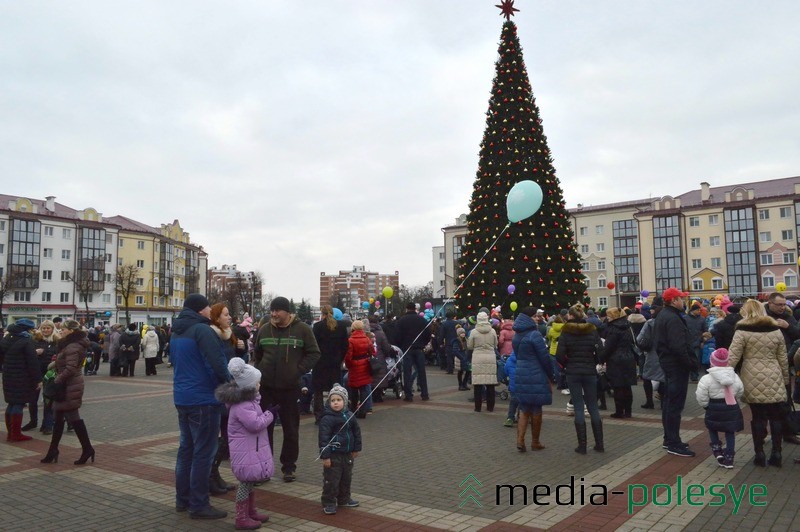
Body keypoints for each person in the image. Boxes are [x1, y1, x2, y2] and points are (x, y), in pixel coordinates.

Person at [171, 293, 232, 520]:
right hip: (203, 399)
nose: (209, 310)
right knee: (203, 453)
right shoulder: (202, 330)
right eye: (207, 307)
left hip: (182, 397)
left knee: (186, 450)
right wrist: (230, 385)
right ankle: (199, 504)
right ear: (200, 310)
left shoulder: (177, 331)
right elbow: (217, 363)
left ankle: (183, 500)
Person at [253, 296, 321, 483]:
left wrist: (298, 371)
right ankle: (265, 467)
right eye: (272, 310)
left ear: (287, 312)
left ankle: (288, 467)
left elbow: (314, 353)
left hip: (290, 389)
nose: (274, 314)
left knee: (291, 429)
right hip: (267, 388)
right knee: (264, 430)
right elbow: (257, 354)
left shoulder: (302, 330)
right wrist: (259, 372)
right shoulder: (265, 329)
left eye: (278, 311)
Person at [727, 299, 790, 467]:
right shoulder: (775, 330)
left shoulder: (742, 331)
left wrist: (724, 375)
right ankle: (777, 452)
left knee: (758, 417)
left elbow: (733, 357)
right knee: (776, 416)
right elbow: (783, 357)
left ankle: (759, 454)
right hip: (774, 375)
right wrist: (785, 380)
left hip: (751, 376)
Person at [215, 358, 275, 530]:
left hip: (249, 449)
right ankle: (242, 517)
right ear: (249, 386)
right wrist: (270, 415)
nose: (259, 385)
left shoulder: (248, 402)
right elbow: (255, 424)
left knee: (249, 482)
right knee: (245, 483)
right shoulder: (242, 405)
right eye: (257, 383)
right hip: (245, 451)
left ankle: (250, 511)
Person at [40, 320, 95, 464]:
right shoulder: (69, 344)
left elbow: (70, 368)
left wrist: (57, 379)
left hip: (69, 385)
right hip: (67, 384)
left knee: (72, 416)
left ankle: (87, 449)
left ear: (71, 331)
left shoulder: (73, 346)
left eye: (63, 329)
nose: (61, 331)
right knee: (58, 416)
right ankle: (53, 450)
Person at [653, 287, 698, 457]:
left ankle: (669, 439)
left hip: (670, 364)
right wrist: (691, 364)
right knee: (674, 405)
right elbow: (678, 346)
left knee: (669, 404)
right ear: (673, 301)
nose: (683, 301)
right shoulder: (672, 318)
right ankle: (673, 442)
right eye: (681, 298)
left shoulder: (665, 315)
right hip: (676, 366)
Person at [557, 304, 605, 454]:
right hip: (589, 370)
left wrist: (566, 364)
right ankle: (599, 444)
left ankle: (582, 445)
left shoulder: (566, 331)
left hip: (573, 372)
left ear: (570, 316)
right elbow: (600, 352)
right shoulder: (592, 330)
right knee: (593, 407)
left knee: (578, 406)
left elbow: (559, 355)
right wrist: (595, 361)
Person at [209, 303, 243, 494]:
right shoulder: (212, 336)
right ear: (216, 317)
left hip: (230, 389)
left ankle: (215, 474)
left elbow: (237, 362)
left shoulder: (230, 335)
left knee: (227, 433)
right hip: (218, 391)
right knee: (216, 435)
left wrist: (240, 349)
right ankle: (211, 476)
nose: (229, 317)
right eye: (225, 314)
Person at [512, 308, 554, 451]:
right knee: (536, 408)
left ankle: (520, 440)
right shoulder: (535, 335)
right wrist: (551, 374)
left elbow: (517, 355)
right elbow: (544, 357)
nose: (538, 318)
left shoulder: (516, 335)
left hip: (521, 372)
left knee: (524, 408)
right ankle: (535, 442)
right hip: (536, 373)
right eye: (535, 316)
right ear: (529, 318)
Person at [695, 348, 744, 469]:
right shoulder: (734, 376)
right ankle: (729, 457)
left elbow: (701, 395)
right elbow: (740, 391)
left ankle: (717, 450)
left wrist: (706, 406)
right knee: (730, 432)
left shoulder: (706, 378)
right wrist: (733, 399)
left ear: (712, 362)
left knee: (713, 428)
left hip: (713, 407)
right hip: (731, 407)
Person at [318, 384, 362, 516]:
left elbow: (356, 432)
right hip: (333, 455)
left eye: (339, 400)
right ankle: (329, 502)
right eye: (333, 400)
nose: (336, 403)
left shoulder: (350, 415)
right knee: (331, 480)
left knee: (346, 478)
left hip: (347, 454)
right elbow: (323, 439)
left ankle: (344, 499)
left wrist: (356, 448)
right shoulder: (327, 418)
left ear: (345, 401)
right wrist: (325, 456)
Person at [763, 292, 800, 446]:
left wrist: (788, 326)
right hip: (765, 366)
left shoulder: (788, 317)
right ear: (770, 303)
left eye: (784, 304)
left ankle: (788, 433)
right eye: (779, 304)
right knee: (764, 402)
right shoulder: (762, 317)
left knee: (785, 400)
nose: (782, 307)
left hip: (785, 365)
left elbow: (798, 336)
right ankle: (762, 433)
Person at [2, 319, 40, 443]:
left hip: (8, 375)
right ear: (26, 329)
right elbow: (32, 362)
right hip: (22, 376)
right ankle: (16, 434)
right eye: (31, 329)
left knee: (11, 403)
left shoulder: (7, 338)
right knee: (18, 403)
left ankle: (10, 433)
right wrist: (37, 379)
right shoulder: (26, 340)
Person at [311, 306, 348, 422]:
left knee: (318, 390)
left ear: (322, 314)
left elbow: (313, 346)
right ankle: (337, 412)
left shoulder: (317, 327)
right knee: (336, 387)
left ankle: (319, 415)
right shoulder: (341, 326)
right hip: (335, 362)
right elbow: (345, 346)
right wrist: (340, 358)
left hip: (320, 362)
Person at [603, 308, 638, 419]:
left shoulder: (613, 328)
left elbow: (609, 347)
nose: (607, 318)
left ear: (613, 316)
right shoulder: (628, 326)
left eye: (608, 316)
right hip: (629, 358)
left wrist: (601, 358)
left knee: (618, 386)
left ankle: (619, 411)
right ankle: (628, 411)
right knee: (627, 386)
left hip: (616, 359)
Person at [26, 320, 59, 434]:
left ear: (52, 329)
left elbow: (57, 354)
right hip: (35, 374)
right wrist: (35, 352)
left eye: (48, 328)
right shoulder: (35, 339)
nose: (45, 330)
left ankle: (47, 424)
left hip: (49, 374)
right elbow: (28, 354)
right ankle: (33, 421)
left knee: (48, 400)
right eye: (43, 328)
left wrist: (44, 353)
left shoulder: (56, 340)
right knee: (32, 400)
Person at [396, 302, 430, 402]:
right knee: (421, 372)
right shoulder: (422, 320)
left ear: (406, 309)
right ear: (415, 309)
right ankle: (425, 394)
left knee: (407, 372)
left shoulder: (401, 321)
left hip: (407, 349)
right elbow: (428, 334)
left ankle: (408, 395)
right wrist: (423, 344)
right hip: (419, 349)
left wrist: (402, 346)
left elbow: (397, 336)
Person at [468, 311, 499, 412]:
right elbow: (495, 344)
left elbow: (469, 346)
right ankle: (490, 407)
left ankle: (478, 407)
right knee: (490, 384)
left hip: (478, 357)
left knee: (478, 384)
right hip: (490, 357)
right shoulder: (493, 331)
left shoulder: (473, 332)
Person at [344, 320, 375, 418]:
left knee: (353, 390)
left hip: (354, 366)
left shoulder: (350, 340)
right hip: (365, 365)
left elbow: (348, 357)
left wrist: (349, 366)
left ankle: (353, 410)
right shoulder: (367, 339)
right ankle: (363, 411)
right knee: (364, 390)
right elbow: (372, 352)